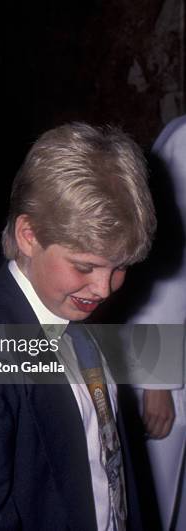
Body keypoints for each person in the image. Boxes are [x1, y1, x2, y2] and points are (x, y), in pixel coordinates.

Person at [0, 122, 156, 530]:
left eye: (121, 268)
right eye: (85, 266)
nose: (104, 288)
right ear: (28, 235)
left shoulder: (72, 311)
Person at [123, 115, 186, 531]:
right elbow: (164, 264)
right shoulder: (185, 142)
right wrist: (156, 379)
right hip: (172, 368)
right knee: (159, 495)